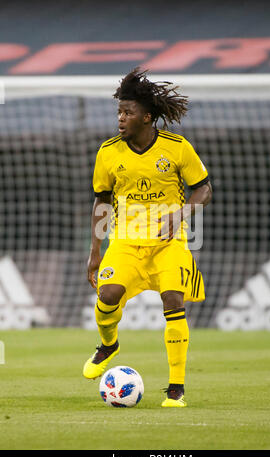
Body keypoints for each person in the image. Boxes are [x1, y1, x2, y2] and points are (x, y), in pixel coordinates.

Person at [83, 69, 212, 407]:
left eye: (127, 113)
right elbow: (101, 200)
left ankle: (176, 388)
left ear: (147, 116)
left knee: (173, 300)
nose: (121, 119)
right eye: (119, 113)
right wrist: (95, 251)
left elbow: (204, 190)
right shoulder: (108, 152)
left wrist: (182, 213)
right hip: (125, 240)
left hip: (170, 241)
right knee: (108, 296)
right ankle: (108, 344)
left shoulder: (177, 148)